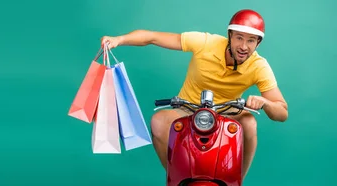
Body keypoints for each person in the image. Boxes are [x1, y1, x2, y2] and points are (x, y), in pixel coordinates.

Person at [101, 9, 288, 178]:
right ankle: (177, 178)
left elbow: (282, 112)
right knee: (158, 122)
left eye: (251, 40)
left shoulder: (259, 66)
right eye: (239, 37)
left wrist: (266, 102)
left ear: (258, 43)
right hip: (187, 108)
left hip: (226, 112)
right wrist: (119, 40)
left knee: (249, 122)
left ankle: (237, 180)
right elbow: (152, 37)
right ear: (229, 36)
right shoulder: (205, 42)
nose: (243, 46)